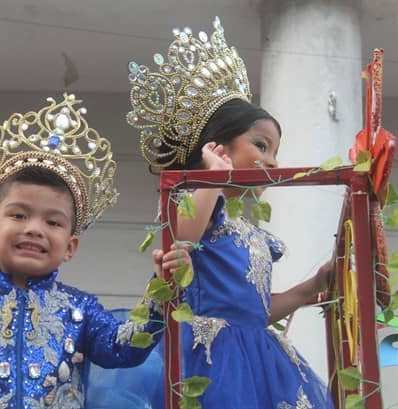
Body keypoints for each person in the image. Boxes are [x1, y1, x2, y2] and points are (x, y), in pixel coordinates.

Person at [0, 94, 190, 408]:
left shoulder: (81, 309)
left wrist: (161, 289)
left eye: (52, 222)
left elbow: (125, 347)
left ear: (70, 246)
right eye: (19, 215)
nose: (34, 229)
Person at [126, 17, 334, 408]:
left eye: (275, 151)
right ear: (218, 145)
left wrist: (309, 289)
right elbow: (182, 235)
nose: (271, 161)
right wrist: (213, 178)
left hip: (261, 360)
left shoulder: (248, 230)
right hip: (212, 362)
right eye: (260, 144)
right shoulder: (199, 200)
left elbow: (253, 312)